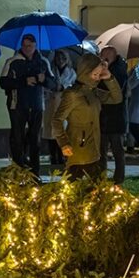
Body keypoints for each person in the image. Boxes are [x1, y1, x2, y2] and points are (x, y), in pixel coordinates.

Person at [53, 53, 123, 181]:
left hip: (95, 148)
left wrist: (109, 78)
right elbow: (57, 120)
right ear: (85, 72)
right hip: (78, 150)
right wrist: (64, 143)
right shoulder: (73, 94)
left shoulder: (93, 92)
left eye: (98, 74)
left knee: (95, 189)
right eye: (94, 74)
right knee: (74, 188)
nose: (97, 78)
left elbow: (116, 98)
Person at [0, 33, 54, 175]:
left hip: (37, 104)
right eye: (24, 45)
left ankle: (35, 172)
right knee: (18, 137)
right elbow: (3, 82)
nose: (27, 48)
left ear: (35, 46)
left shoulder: (43, 62)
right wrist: (23, 81)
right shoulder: (12, 61)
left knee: (35, 138)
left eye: (30, 45)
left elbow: (53, 83)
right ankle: (19, 168)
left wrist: (43, 80)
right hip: (17, 104)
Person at [98, 45, 128, 184]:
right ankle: (101, 179)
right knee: (101, 151)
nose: (102, 58)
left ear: (112, 55)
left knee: (117, 151)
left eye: (105, 56)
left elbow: (115, 89)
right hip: (103, 116)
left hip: (116, 117)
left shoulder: (119, 69)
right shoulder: (104, 67)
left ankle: (118, 180)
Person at [42, 49, 76, 168]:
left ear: (67, 60)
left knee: (63, 132)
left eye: (63, 58)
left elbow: (73, 87)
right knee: (51, 131)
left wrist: (63, 87)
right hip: (51, 103)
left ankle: (64, 156)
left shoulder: (71, 72)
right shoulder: (50, 71)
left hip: (64, 103)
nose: (60, 61)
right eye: (58, 58)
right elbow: (45, 86)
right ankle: (53, 156)